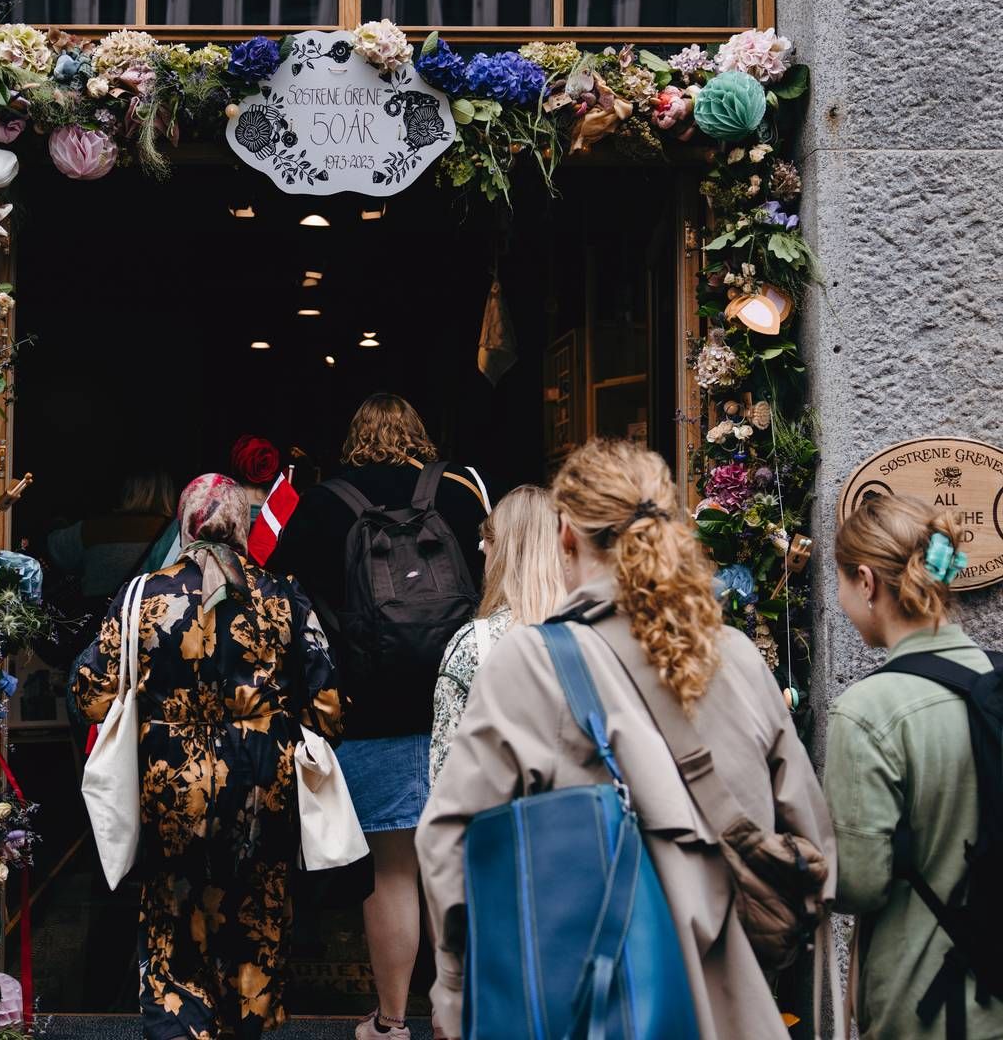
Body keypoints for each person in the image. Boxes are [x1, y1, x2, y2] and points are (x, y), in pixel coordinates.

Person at [416, 438, 834, 1040]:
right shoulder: (739, 657)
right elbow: (814, 845)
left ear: (566, 538)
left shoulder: (529, 665)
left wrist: (455, 990)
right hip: (732, 1008)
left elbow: (448, 840)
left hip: (588, 1004)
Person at [71, 473, 344, 1040]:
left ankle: (182, 1024)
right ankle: (245, 1022)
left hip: (171, 781)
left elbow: (92, 693)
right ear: (243, 526)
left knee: (173, 913)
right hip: (262, 780)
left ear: (184, 524)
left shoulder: (142, 594)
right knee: (256, 916)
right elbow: (328, 708)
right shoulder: (284, 594)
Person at [269, 392, 491, 1040]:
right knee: (458, 863)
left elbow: (283, 596)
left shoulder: (323, 504)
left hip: (370, 710)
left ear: (354, 438)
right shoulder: (461, 495)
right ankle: (460, 1018)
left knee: (392, 871)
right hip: (462, 703)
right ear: (418, 435)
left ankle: (391, 1022)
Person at [823, 494, 1001, 1039]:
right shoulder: (996, 678)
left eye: (842, 584)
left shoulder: (867, 711)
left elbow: (859, 884)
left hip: (925, 1001)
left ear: (866, 581)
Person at [429, 485, 566, 785]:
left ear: (499, 552)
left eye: (484, 547)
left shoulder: (472, 647)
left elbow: (446, 780)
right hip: (588, 822)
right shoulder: (597, 634)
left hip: (503, 825)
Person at [48, 470, 175, 603]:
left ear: (127, 491)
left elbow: (56, 552)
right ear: (168, 494)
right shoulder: (174, 533)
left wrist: (57, 524)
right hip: (147, 617)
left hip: (94, 616)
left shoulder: (94, 527)